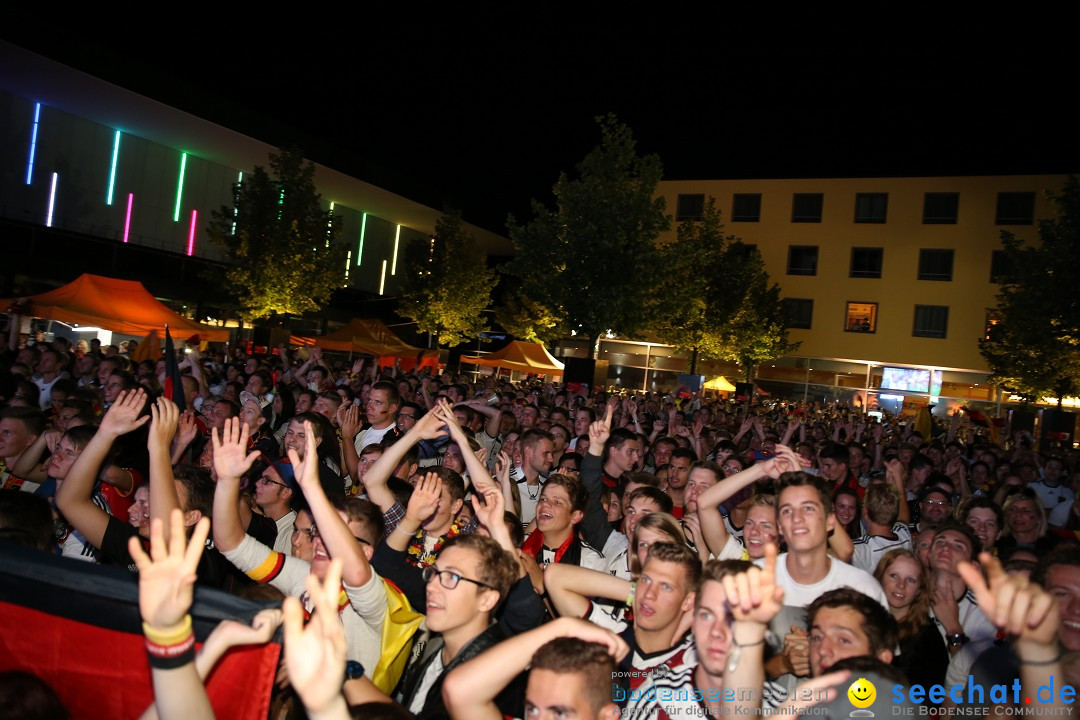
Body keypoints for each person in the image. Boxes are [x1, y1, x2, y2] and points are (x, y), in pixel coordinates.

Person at [396, 533, 520, 718]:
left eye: (452, 577)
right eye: (434, 573)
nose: (430, 586)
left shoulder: (497, 684)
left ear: (486, 600)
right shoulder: (432, 648)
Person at [873, 548, 949, 691]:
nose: (901, 585)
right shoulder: (862, 619)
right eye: (894, 576)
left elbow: (931, 696)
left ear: (919, 590)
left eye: (911, 580)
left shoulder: (927, 637)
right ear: (880, 577)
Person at [851, 482, 911, 573]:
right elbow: (903, 518)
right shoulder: (904, 536)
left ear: (865, 512)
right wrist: (897, 476)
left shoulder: (861, 549)